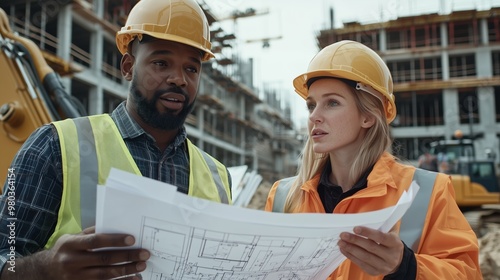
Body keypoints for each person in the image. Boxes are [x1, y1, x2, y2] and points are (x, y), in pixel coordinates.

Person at [0, 0, 232, 279]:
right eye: (161, 63)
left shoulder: (218, 177)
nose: (179, 79)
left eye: (192, 69)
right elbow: (6, 258)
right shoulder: (52, 145)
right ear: (128, 67)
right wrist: (46, 268)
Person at [265, 40, 481, 279]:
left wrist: (406, 267)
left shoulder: (428, 192)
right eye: (311, 105)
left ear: (368, 116)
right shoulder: (283, 197)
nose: (314, 116)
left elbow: (467, 273)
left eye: (332, 102)